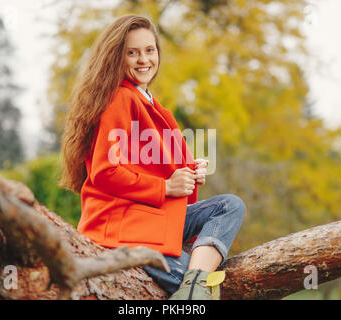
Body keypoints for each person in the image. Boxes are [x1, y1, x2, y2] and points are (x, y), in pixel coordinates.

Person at [59, 14, 246, 300]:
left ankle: (194, 284)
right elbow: (106, 171)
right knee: (215, 286)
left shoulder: (146, 99)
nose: (143, 59)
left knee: (228, 206)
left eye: (149, 50)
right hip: (122, 230)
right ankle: (195, 284)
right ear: (116, 58)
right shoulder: (120, 99)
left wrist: (189, 171)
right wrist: (166, 187)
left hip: (152, 219)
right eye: (131, 53)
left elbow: (146, 162)